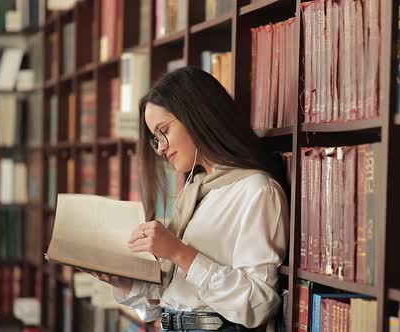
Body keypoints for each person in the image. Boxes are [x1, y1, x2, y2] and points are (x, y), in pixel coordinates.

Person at [94, 66, 289, 331]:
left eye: (163, 130)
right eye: (155, 138)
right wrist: (121, 280)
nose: (161, 147)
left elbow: (258, 304)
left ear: (197, 116)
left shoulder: (256, 190)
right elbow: (168, 301)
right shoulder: (195, 193)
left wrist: (178, 252)